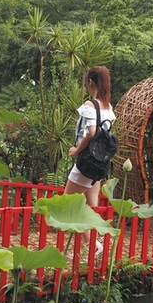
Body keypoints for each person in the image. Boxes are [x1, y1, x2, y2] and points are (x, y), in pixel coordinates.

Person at [65, 65, 116, 256]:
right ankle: (92, 246)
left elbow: (92, 132)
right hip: (99, 164)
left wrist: (76, 150)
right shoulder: (108, 107)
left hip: (85, 164)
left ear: (90, 82)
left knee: (68, 206)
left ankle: (94, 247)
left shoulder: (90, 105)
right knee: (91, 207)